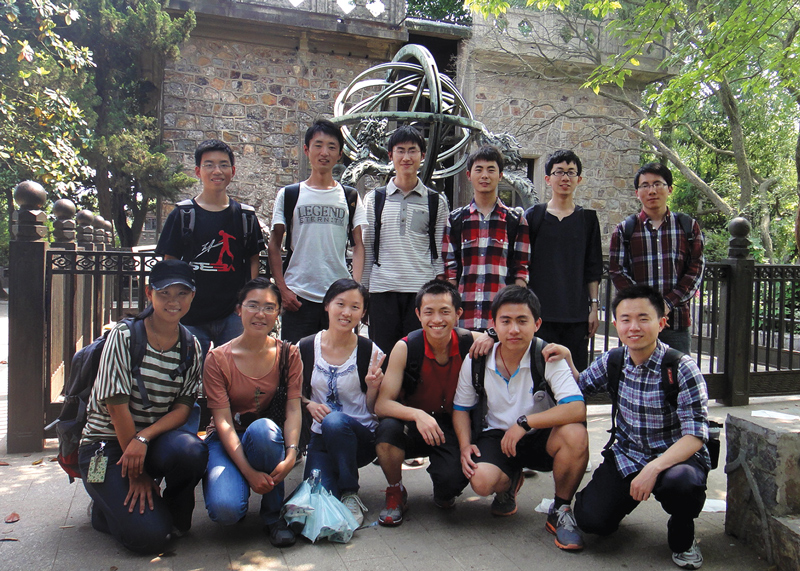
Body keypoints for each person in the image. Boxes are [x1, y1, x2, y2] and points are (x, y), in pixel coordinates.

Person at [564, 285, 710, 569]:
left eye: (644, 318)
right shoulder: (614, 360)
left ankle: (683, 534)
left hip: (675, 459)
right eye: (626, 319)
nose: (634, 327)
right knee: (592, 521)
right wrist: (565, 358)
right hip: (628, 456)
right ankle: (613, 503)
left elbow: (695, 436)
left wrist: (653, 469)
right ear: (616, 324)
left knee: (683, 485)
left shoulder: (681, 368)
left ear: (661, 322)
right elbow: (578, 387)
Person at [78, 259, 207, 554]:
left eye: (182, 294)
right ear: (149, 293)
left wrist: (143, 437)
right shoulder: (124, 336)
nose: (173, 302)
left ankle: (170, 513)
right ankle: (104, 508)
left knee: (191, 450)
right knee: (148, 538)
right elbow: (115, 406)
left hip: (147, 442)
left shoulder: (191, 345)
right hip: (105, 447)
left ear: (192, 296)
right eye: (164, 293)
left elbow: (184, 407)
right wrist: (135, 473)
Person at [452, 285, 589, 551]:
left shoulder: (548, 356)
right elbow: (460, 408)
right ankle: (509, 483)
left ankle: (560, 509)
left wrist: (525, 423)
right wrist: (465, 445)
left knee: (575, 433)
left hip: (541, 436)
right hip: (497, 436)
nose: (514, 329)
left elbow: (576, 409)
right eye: (506, 321)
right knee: (480, 481)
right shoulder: (477, 359)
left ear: (536, 324)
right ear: (493, 324)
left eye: (522, 321)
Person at [373, 280, 488, 526]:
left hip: (452, 425)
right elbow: (382, 405)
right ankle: (395, 491)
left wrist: (491, 335)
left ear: (458, 314)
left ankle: (443, 488)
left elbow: (515, 340)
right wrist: (418, 415)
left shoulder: (471, 342)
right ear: (418, 315)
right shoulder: (405, 347)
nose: (437, 319)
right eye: (429, 312)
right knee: (387, 430)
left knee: (451, 485)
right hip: (415, 425)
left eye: (445, 311)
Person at [202, 278, 302, 547]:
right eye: (253, 306)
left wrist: (292, 454)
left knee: (264, 430)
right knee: (226, 511)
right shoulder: (218, 359)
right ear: (239, 310)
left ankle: (273, 516)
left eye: (269, 307)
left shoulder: (289, 354)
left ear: (279, 312)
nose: (261, 314)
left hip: (266, 438)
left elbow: (293, 408)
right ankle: (233, 487)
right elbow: (222, 421)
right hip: (226, 439)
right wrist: (248, 472)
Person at [155, 139, 265, 360]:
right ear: (198, 171)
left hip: (232, 313)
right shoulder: (182, 215)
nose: (217, 171)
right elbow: (170, 263)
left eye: (223, 164)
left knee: (234, 374)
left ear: (232, 171)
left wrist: (246, 301)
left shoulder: (245, 217)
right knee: (189, 375)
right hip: (190, 314)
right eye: (209, 165)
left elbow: (253, 259)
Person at [268, 118, 367, 343]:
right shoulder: (289, 194)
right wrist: (283, 289)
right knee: (295, 365)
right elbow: (274, 244)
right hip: (298, 296)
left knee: (339, 363)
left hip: (338, 298)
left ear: (340, 154)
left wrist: (355, 289)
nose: (325, 152)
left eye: (332, 147)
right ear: (306, 150)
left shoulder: (349, 197)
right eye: (318, 145)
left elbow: (358, 245)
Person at [300, 279, 385, 526]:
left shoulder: (370, 351)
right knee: (316, 502)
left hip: (359, 439)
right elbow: (292, 393)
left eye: (355, 307)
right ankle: (335, 482)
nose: (346, 312)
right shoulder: (305, 347)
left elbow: (374, 409)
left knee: (335, 420)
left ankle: (350, 491)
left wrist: (372, 388)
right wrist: (308, 404)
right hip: (320, 438)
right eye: (340, 304)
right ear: (327, 305)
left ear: (363, 312)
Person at [361, 125, 450, 353]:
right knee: (382, 357)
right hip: (383, 292)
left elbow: (439, 253)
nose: (407, 157)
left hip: (421, 292)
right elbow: (368, 249)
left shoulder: (436, 202)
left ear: (422, 155)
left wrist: (439, 294)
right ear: (390, 155)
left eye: (413, 150)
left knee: (417, 358)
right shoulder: (374, 199)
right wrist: (364, 293)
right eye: (400, 150)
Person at [609, 162, 705, 354]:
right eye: (645, 185)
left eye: (657, 184)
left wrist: (667, 303)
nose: (651, 190)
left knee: (676, 377)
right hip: (638, 325)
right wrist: (648, 306)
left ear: (669, 189)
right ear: (637, 192)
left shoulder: (687, 226)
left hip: (676, 322)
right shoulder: (625, 230)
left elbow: (695, 269)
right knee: (636, 377)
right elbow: (617, 271)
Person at [525, 149, 603, 371]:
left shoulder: (587, 220)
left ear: (579, 179)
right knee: (538, 374)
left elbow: (593, 267)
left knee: (574, 375)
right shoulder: (534, 216)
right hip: (540, 314)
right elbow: (522, 263)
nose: (565, 178)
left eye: (571, 172)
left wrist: (594, 307)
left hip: (575, 315)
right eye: (559, 172)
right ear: (548, 178)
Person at [443, 145, 530, 331]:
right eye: (479, 170)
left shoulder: (515, 220)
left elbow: (521, 271)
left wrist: (516, 312)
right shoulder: (456, 220)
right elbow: (450, 272)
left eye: (491, 170)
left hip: (501, 319)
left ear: (500, 175)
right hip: (463, 317)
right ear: (469, 175)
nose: (485, 176)